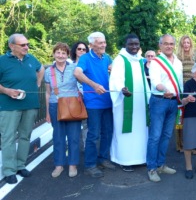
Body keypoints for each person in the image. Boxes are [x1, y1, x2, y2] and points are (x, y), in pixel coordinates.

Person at [0, 34, 45, 184]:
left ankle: (20, 166)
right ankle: (9, 171)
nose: (26, 47)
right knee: (8, 138)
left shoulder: (31, 58)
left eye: (27, 44)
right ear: (12, 46)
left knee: (25, 136)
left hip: (30, 104)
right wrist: (7, 91)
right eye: (23, 45)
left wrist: (38, 83)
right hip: (9, 106)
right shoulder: (2, 61)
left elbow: (41, 69)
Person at [74, 31, 114, 178]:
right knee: (93, 135)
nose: (104, 45)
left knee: (107, 133)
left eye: (104, 42)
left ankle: (103, 159)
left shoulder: (107, 57)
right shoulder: (85, 58)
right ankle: (90, 165)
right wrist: (93, 85)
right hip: (93, 104)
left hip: (108, 102)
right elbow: (77, 73)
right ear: (91, 45)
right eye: (100, 43)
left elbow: (116, 70)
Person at [109, 34, 150, 172]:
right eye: (131, 44)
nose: (134, 47)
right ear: (125, 45)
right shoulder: (120, 60)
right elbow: (115, 79)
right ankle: (124, 160)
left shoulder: (140, 60)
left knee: (141, 131)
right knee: (126, 131)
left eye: (136, 44)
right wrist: (122, 89)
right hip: (125, 102)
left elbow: (144, 81)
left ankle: (140, 158)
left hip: (140, 104)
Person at [147, 34, 183, 182]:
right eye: (165, 44)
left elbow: (179, 83)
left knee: (167, 135)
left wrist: (181, 98)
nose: (169, 46)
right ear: (160, 46)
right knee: (155, 136)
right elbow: (156, 82)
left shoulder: (178, 62)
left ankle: (161, 164)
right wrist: (164, 89)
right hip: (159, 100)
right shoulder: (155, 62)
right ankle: (151, 168)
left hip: (173, 102)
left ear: (174, 45)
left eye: (171, 44)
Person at [44, 42, 81, 178]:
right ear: (54, 54)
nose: (60, 55)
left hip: (73, 105)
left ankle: (72, 164)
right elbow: (48, 93)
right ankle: (59, 165)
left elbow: (83, 81)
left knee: (74, 137)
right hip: (55, 105)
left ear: (67, 55)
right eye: (58, 52)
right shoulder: (48, 71)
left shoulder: (75, 68)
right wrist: (47, 112)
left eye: (63, 53)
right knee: (58, 137)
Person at [176, 35, 196, 153]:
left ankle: (191, 145)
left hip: (192, 90)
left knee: (191, 119)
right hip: (181, 91)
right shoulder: (177, 58)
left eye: (188, 42)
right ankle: (180, 144)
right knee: (180, 119)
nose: (186, 45)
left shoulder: (195, 57)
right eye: (184, 42)